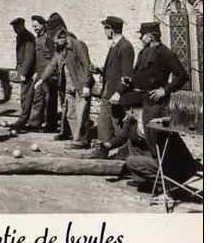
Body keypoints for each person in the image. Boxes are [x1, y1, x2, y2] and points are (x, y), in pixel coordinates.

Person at [119, 21, 189, 186]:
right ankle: (144, 176)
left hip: (155, 103)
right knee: (137, 135)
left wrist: (164, 90)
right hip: (141, 100)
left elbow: (182, 76)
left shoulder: (165, 53)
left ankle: (166, 178)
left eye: (142, 35)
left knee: (154, 139)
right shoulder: (143, 52)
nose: (140, 38)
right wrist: (130, 80)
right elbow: (140, 75)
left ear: (150, 36)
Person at [36, 27, 93, 148]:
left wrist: (87, 85)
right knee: (70, 113)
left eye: (57, 41)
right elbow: (52, 64)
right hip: (67, 85)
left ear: (64, 37)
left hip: (80, 84)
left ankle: (82, 140)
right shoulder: (60, 49)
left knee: (81, 113)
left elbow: (87, 65)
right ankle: (75, 137)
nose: (55, 44)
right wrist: (41, 79)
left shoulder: (78, 45)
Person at [89, 16, 135, 159]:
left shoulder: (126, 47)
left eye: (105, 28)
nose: (104, 32)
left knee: (118, 127)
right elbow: (113, 70)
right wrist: (100, 70)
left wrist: (118, 93)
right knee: (103, 125)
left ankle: (124, 155)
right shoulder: (114, 45)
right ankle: (101, 152)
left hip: (115, 94)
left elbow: (127, 75)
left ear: (111, 29)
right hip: (107, 92)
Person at [26, 15, 57, 132]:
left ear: (43, 25)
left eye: (36, 26)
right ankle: (34, 123)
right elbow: (36, 58)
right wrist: (35, 72)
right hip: (39, 73)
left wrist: (52, 73)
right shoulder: (36, 39)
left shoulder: (48, 39)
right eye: (33, 26)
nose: (35, 28)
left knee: (50, 100)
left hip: (49, 74)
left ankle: (51, 125)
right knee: (37, 97)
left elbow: (54, 57)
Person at [9, 17, 35, 131]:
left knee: (26, 96)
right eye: (14, 27)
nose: (15, 29)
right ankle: (24, 119)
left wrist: (24, 71)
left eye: (16, 27)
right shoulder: (21, 36)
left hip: (27, 71)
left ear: (21, 25)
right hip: (22, 69)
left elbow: (29, 56)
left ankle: (23, 120)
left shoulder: (28, 37)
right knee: (24, 95)